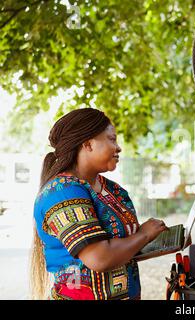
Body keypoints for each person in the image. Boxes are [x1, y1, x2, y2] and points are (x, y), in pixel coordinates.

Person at [30, 108, 169, 300]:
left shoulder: (114, 191)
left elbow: (125, 247)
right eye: (112, 139)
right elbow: (99, 258)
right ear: (87, 144)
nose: (118, 147)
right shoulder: (62, 192)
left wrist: (163, 241)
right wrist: (144, 234)